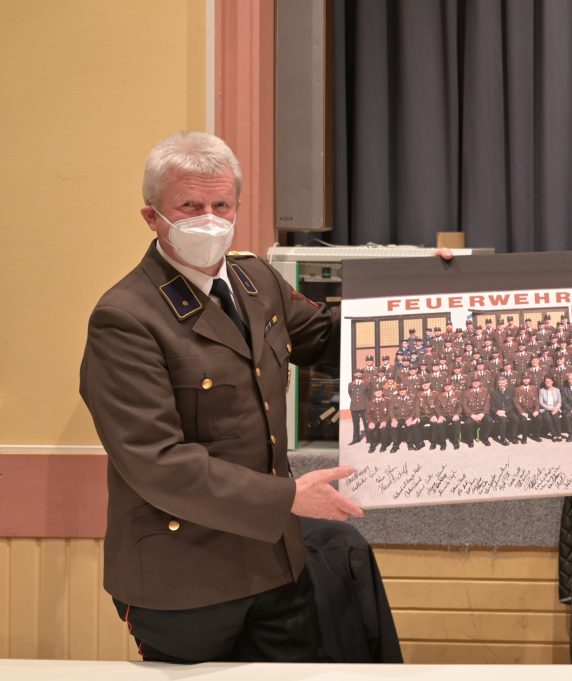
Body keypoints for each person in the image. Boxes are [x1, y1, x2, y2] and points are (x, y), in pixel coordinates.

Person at [78, 132, 365, 664]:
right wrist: (287, 499)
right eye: (189, 207)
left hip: (275, 565)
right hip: (184, 578)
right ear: (152, 217)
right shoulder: (126, 317)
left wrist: (421, 290)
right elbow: (157, 463)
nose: (209, 219)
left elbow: (330, 336)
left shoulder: (256, 281)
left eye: (221, 205)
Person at [538, 376, 564, 441]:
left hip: (555, 408)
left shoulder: (557, 390)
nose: (548, 382)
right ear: (544, 382)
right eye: (546, 381)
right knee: (548, 418)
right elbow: (541, 402)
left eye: (549, 381)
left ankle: (559, 434)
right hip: (545, 408)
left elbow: (559, 402)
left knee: (556, 417)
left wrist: (556, 409)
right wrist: (550, 408)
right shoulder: (541, 390)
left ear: (552, 382)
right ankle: (554, 434)